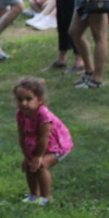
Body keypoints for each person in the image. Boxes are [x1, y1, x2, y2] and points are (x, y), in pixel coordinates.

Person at [14, 77, 72, 206]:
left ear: (39, 100)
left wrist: (39, 156)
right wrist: (27, 156)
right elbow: (22, 136)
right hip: (38, 145)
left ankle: (46, 197)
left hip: (57, 145)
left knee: (41, 165)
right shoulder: (20, 114)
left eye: (28, 99)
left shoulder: (43, 114)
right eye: (20, 99)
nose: (24, 103)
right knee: (30, 165)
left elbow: (44, 137)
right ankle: (33, 195)